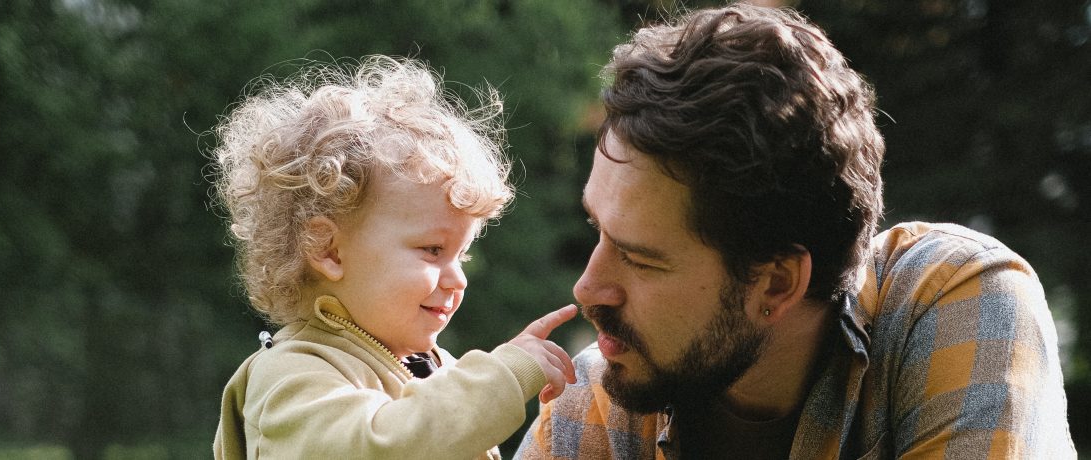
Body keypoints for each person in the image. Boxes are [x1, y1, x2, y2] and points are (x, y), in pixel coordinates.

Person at [516, 4, 1074, 459]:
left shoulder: (954, 299)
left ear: (778, 284)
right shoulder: (591, 401)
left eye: (641, 259)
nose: (587, 289)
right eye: (598, 231)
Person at [210, 56, 578, 459]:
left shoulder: (438, 367)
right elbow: (379, 447)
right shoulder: (292, 376)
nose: (458, 279)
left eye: (463, 255)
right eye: (433, 250)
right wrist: (503, 377)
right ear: (328, 250)